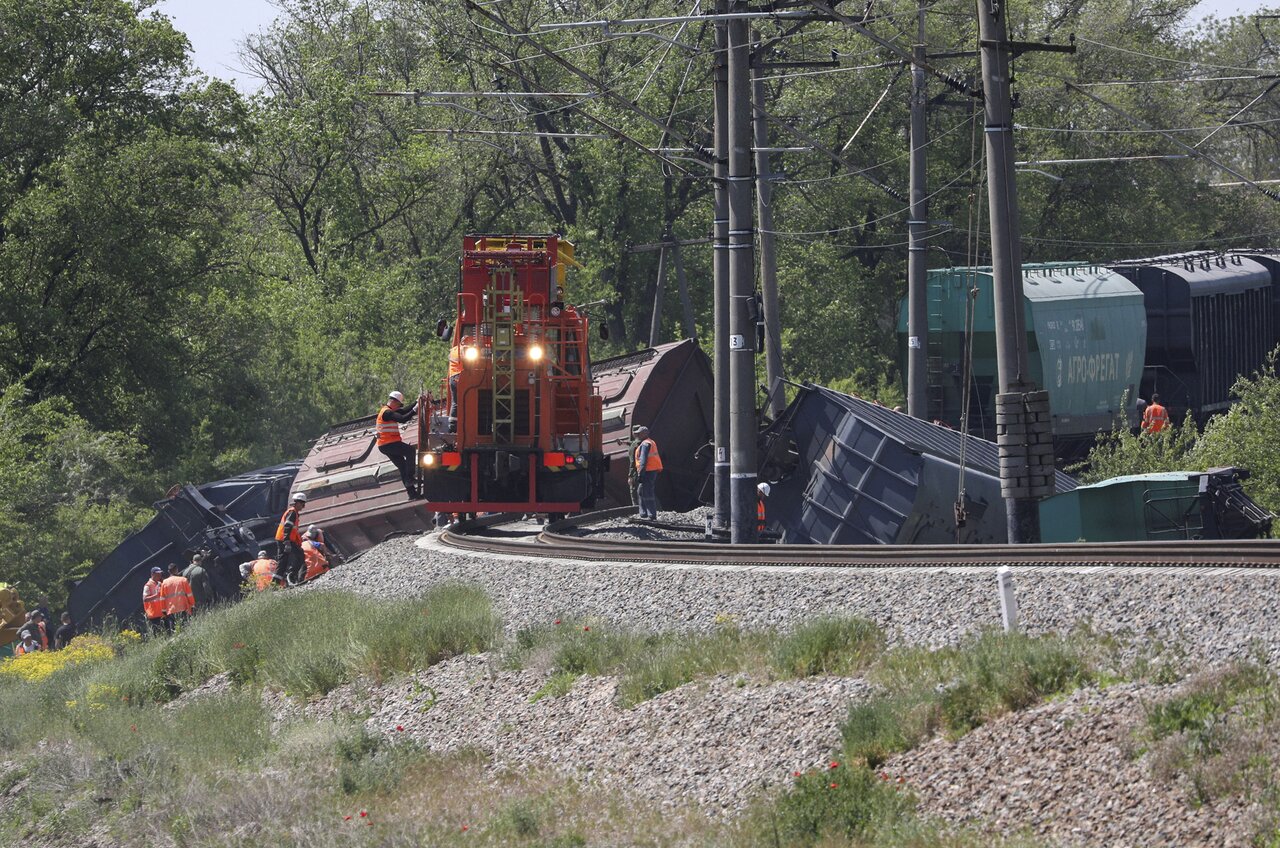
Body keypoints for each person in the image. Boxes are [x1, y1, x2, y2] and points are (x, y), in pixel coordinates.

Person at [376, 391, 421, 498]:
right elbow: (403, 418)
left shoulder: (388, 411)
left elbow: (404, 411)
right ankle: (410, 478)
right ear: (393, 401)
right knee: (410, 451)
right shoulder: (387, 413)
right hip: (388, 443)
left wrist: (416, 402)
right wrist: (415, 409)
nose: (399, 407)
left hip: (385, 445)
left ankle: (412, 493)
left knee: (402, 466)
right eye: (398, 404)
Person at [276, 492, 307, 584]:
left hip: (284, 539)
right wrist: (287, 542)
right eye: (303, 504)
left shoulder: (294, 512)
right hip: (285, 540)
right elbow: (287, 527)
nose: (303, 506)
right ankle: (291, 576)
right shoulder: (292, 513)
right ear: (298, 503)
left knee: (283, 562)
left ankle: (276, 582)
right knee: (300, 555)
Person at [634, 425, 662, 520]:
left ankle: (651, 515)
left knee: (647, 492)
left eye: (639, 433)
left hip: (647, 472)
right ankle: (643, 513)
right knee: (641, 491)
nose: (638, 435)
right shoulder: (650, 442)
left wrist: (640, 474)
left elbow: (643, 460)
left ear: (644, 434)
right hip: (650, 471)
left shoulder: (645, 444)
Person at [161, 562, 195, 627]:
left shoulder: (164, 583)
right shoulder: (183, 580)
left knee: (176, 631)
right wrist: (192, 605)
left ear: (168, 571)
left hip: (171, 610)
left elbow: (162, 598)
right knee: (186, 628)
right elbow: (189, 595)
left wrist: (164, 611)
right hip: (183, 608)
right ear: (177, 570)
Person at [142, 566, 168, 636]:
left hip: (163, 613)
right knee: (159, 635)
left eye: (160, 574)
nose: (159, 575)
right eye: (157, 574)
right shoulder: (148, 585)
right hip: (154, 615)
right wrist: (156, 595)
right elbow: (145, 599)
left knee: (168, 633)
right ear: (152, 574)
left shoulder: (159, 583)